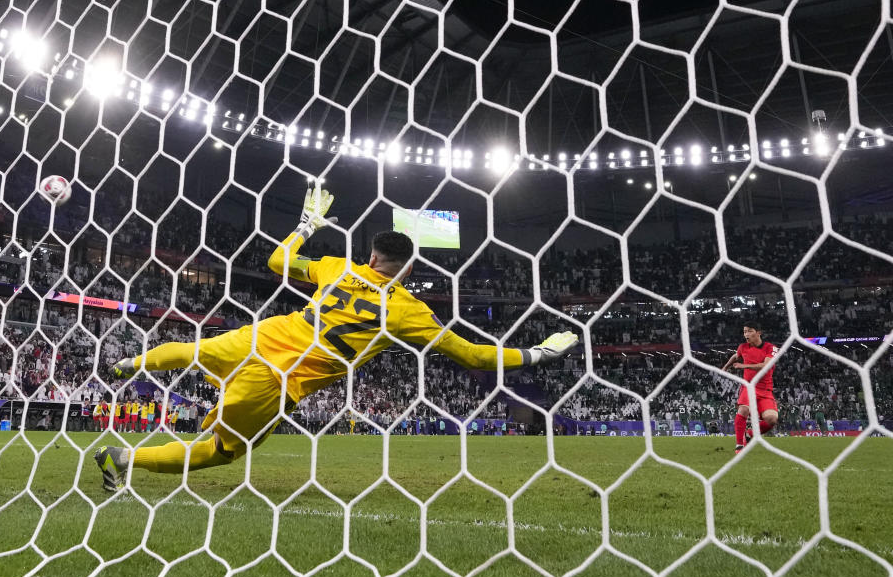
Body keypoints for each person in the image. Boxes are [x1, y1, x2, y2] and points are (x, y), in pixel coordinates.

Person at [93, 188, 578, 492]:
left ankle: (133, 362)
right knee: (221, 450)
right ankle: (124, 458)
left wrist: (307, 226)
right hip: (279, 379)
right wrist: (539, 352)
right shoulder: (408, 310)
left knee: (195, 350)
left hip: (265, 335)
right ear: (409, 267)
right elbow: (472, 354)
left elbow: (278, 264)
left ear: (370, 255)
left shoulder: (338, 267)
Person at [720, 321, 779, 454]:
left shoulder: (771, 348)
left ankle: (750, 434)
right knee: (743, 409)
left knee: (772, 419)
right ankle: (739, 445)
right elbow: (736, 356)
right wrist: (725, 367)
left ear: (759, 333)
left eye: (749, 331)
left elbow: (766, 365)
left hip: (765, 390)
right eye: (745, 331)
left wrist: (743, 366)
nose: (746, 334)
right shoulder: (743, 347)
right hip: (749, 386)